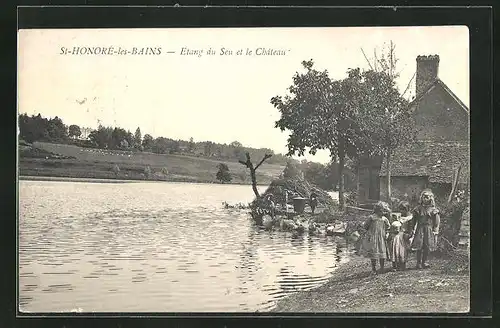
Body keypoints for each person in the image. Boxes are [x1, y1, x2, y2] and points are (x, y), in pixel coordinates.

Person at [408, 189, 440, 269]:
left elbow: (436, 221)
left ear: (431, 198)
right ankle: (418, 263)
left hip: (428, 229)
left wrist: (435, 229)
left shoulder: (433, 209)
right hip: (420, 229)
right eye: (423, 197)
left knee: (427, 246)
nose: (425, 199)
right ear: (421, 198)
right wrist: (412, 228)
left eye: (427, 197)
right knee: (419, 246)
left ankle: (424, 261)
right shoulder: (418, 209)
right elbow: (413, 220)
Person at [359, 201, 391, 274]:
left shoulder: (384, 219)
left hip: (381, 237)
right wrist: (366, 234)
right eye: (382, 211)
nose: (383, 213)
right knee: (374, 253)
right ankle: (373, 268)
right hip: (373, 237)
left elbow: (388, 226)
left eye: (384, 212)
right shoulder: (371, 218)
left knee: (382, 252)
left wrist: (387, 233)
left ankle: (382, 268)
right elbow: (365, 226)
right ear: (377, 210)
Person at [387, 202, 412, 272]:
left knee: (403, 251)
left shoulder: (409, 218)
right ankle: (395, 265)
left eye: (403, 209)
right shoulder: (399, 217)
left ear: (407, 209)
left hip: (404, 235)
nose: (401, 211)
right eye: (400, 209)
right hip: (398, 235)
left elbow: (411, 227)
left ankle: (402, 265)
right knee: (395, 249)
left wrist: (409, 234)